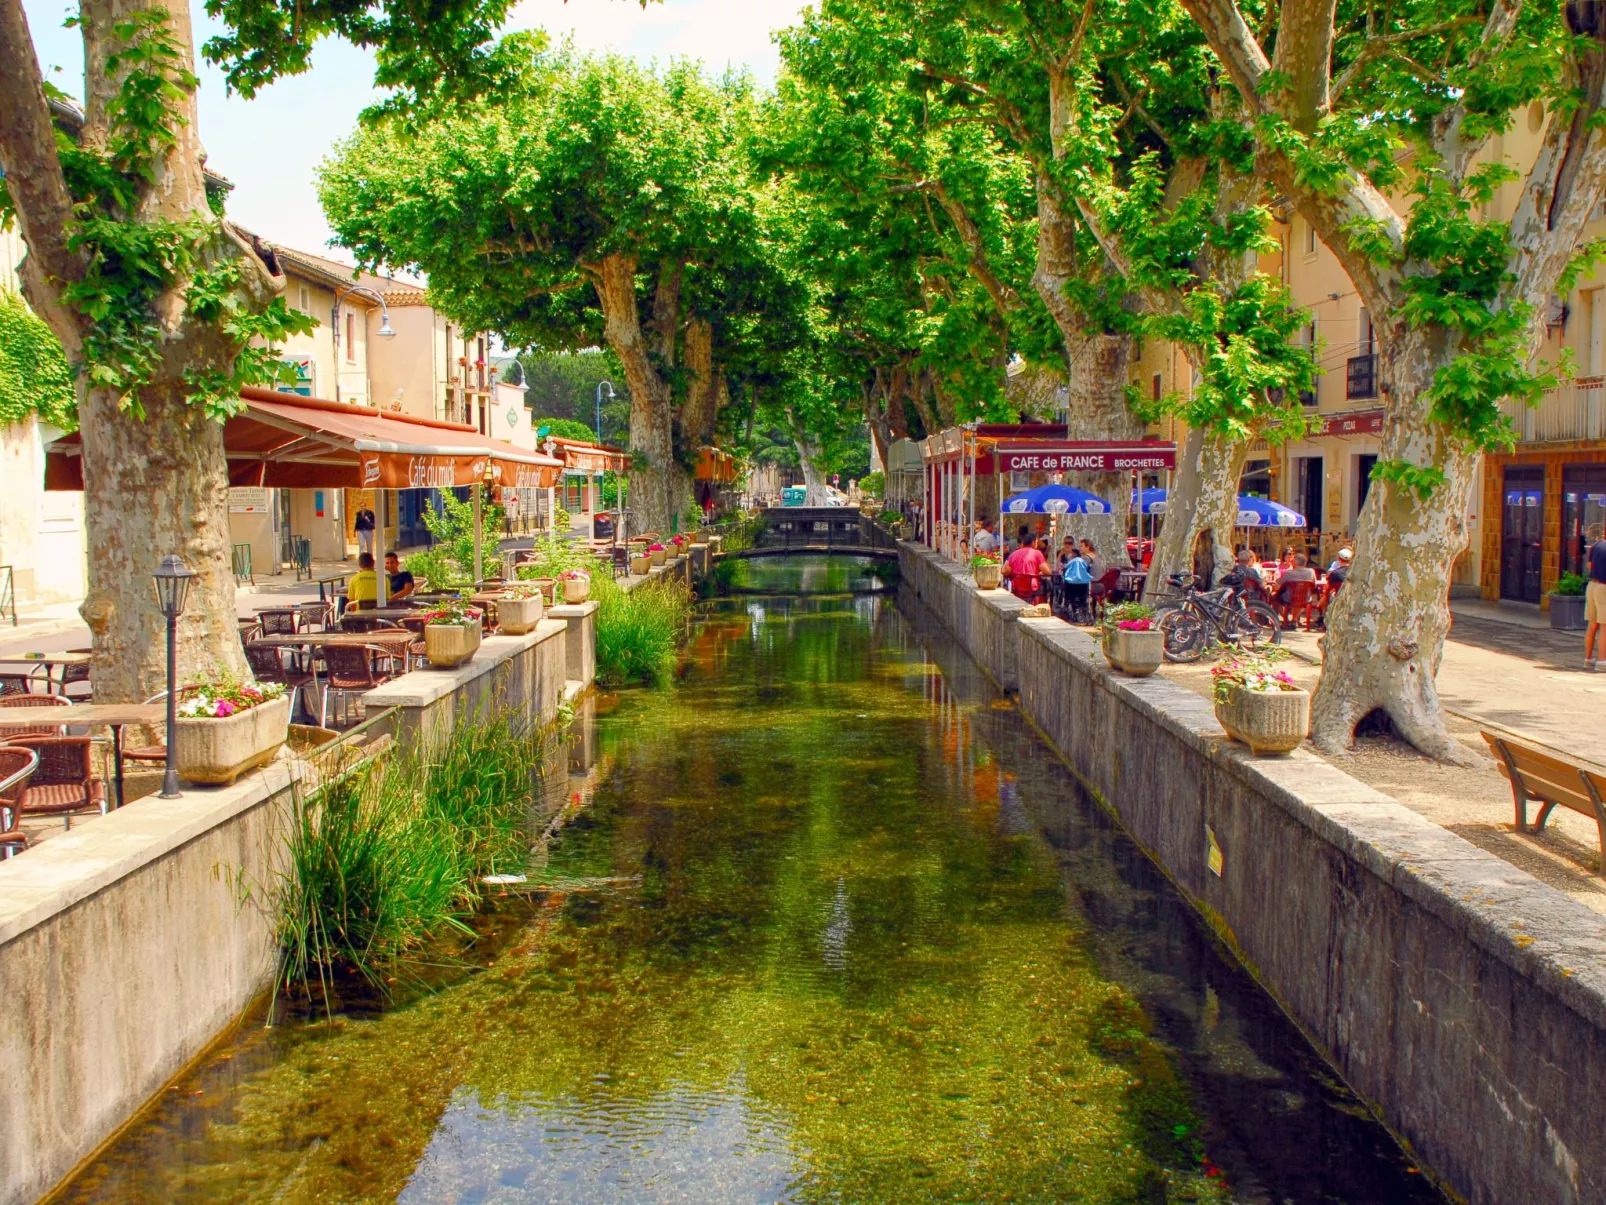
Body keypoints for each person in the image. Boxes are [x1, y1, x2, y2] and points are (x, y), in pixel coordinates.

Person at [1005, 533, 1049, 603]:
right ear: (1033, 542)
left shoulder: (1013, 554)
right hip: (1032, 589)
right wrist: (1039, 572)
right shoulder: (1037, 553)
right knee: (1049, 585)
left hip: (1017, 588)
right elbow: (1048, 572)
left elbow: (1005, 571)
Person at [1587, 526, 1606, 669]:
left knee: (1592, 625)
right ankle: (1602, 661)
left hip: (1592, 586)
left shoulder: (1596, 545)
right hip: (1604, 588)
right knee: (1605, 627)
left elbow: (1589, 566)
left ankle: (1588, 659)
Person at [1061, 541, 1094, 622]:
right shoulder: (1087, 559)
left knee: (1069, 589)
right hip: (1084, 585)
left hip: (1073, 585)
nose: (1080, 548)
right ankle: (1083, 613)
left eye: (1081, 546)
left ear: (1088, 547)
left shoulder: (1084, 559)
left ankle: (1072, 610)